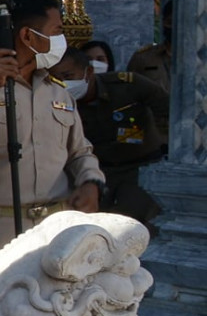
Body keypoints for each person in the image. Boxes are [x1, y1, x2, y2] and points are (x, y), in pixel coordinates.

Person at [0, 0, 103, 265]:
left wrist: (91, 182)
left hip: (56, 226)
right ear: (29, 37)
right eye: (57, 31)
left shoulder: (57, 90)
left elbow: (80, 151)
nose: (61, 40)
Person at [53, 46, 169, 228]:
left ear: (88, 72)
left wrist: (162, 140)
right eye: (56, 79)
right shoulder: (57, 101)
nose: (63, 84)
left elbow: (170, 110)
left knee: (127, 224)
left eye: (68, 77)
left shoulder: (127, 86)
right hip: (98, 171)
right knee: (92, 223)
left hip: (138, 168)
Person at [125, 0, 173, 93]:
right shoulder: (144, 58)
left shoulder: (200, 60)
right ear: (164, 23)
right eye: (170, 22)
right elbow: (128, 93)